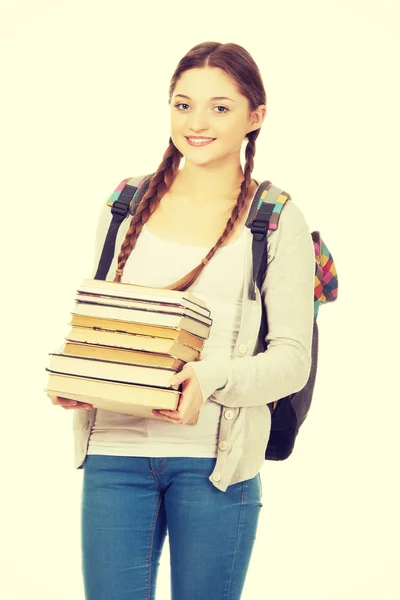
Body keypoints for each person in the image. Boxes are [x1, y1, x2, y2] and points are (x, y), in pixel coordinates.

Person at [48, 41, 315, 600]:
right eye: (182, 104)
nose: (197, 122)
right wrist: (83, 377)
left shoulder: (274, 218)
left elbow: (291, 360)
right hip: (113, 457)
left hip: (215, 463)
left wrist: (209, 377)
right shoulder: (125, 203)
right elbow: (104, 322)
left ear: (255, 116)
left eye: (220, 107)